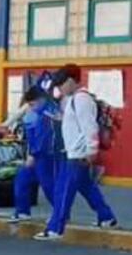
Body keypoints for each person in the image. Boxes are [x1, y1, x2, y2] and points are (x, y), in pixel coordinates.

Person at [37, 64, 117, 241]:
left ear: (72, 81)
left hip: (78, 154)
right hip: (74, 152)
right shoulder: (72, 99)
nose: (60, 88)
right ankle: (106, 216)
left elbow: (89, 126)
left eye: (61, 84)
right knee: (87, 187)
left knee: (63, 191)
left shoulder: (82, 99)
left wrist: (91, 151)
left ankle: (56, 229)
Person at [9, 80, 62, 223]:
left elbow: (43, 137)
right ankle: (22, 211)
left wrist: (33, 154)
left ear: (41, 99)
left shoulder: (48, 113)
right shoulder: (36, 111)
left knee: (48, 185)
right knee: (22, 180)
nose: (30, 108)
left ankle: (61, 213)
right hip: (36, 154)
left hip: (45, 155)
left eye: (32, 104)